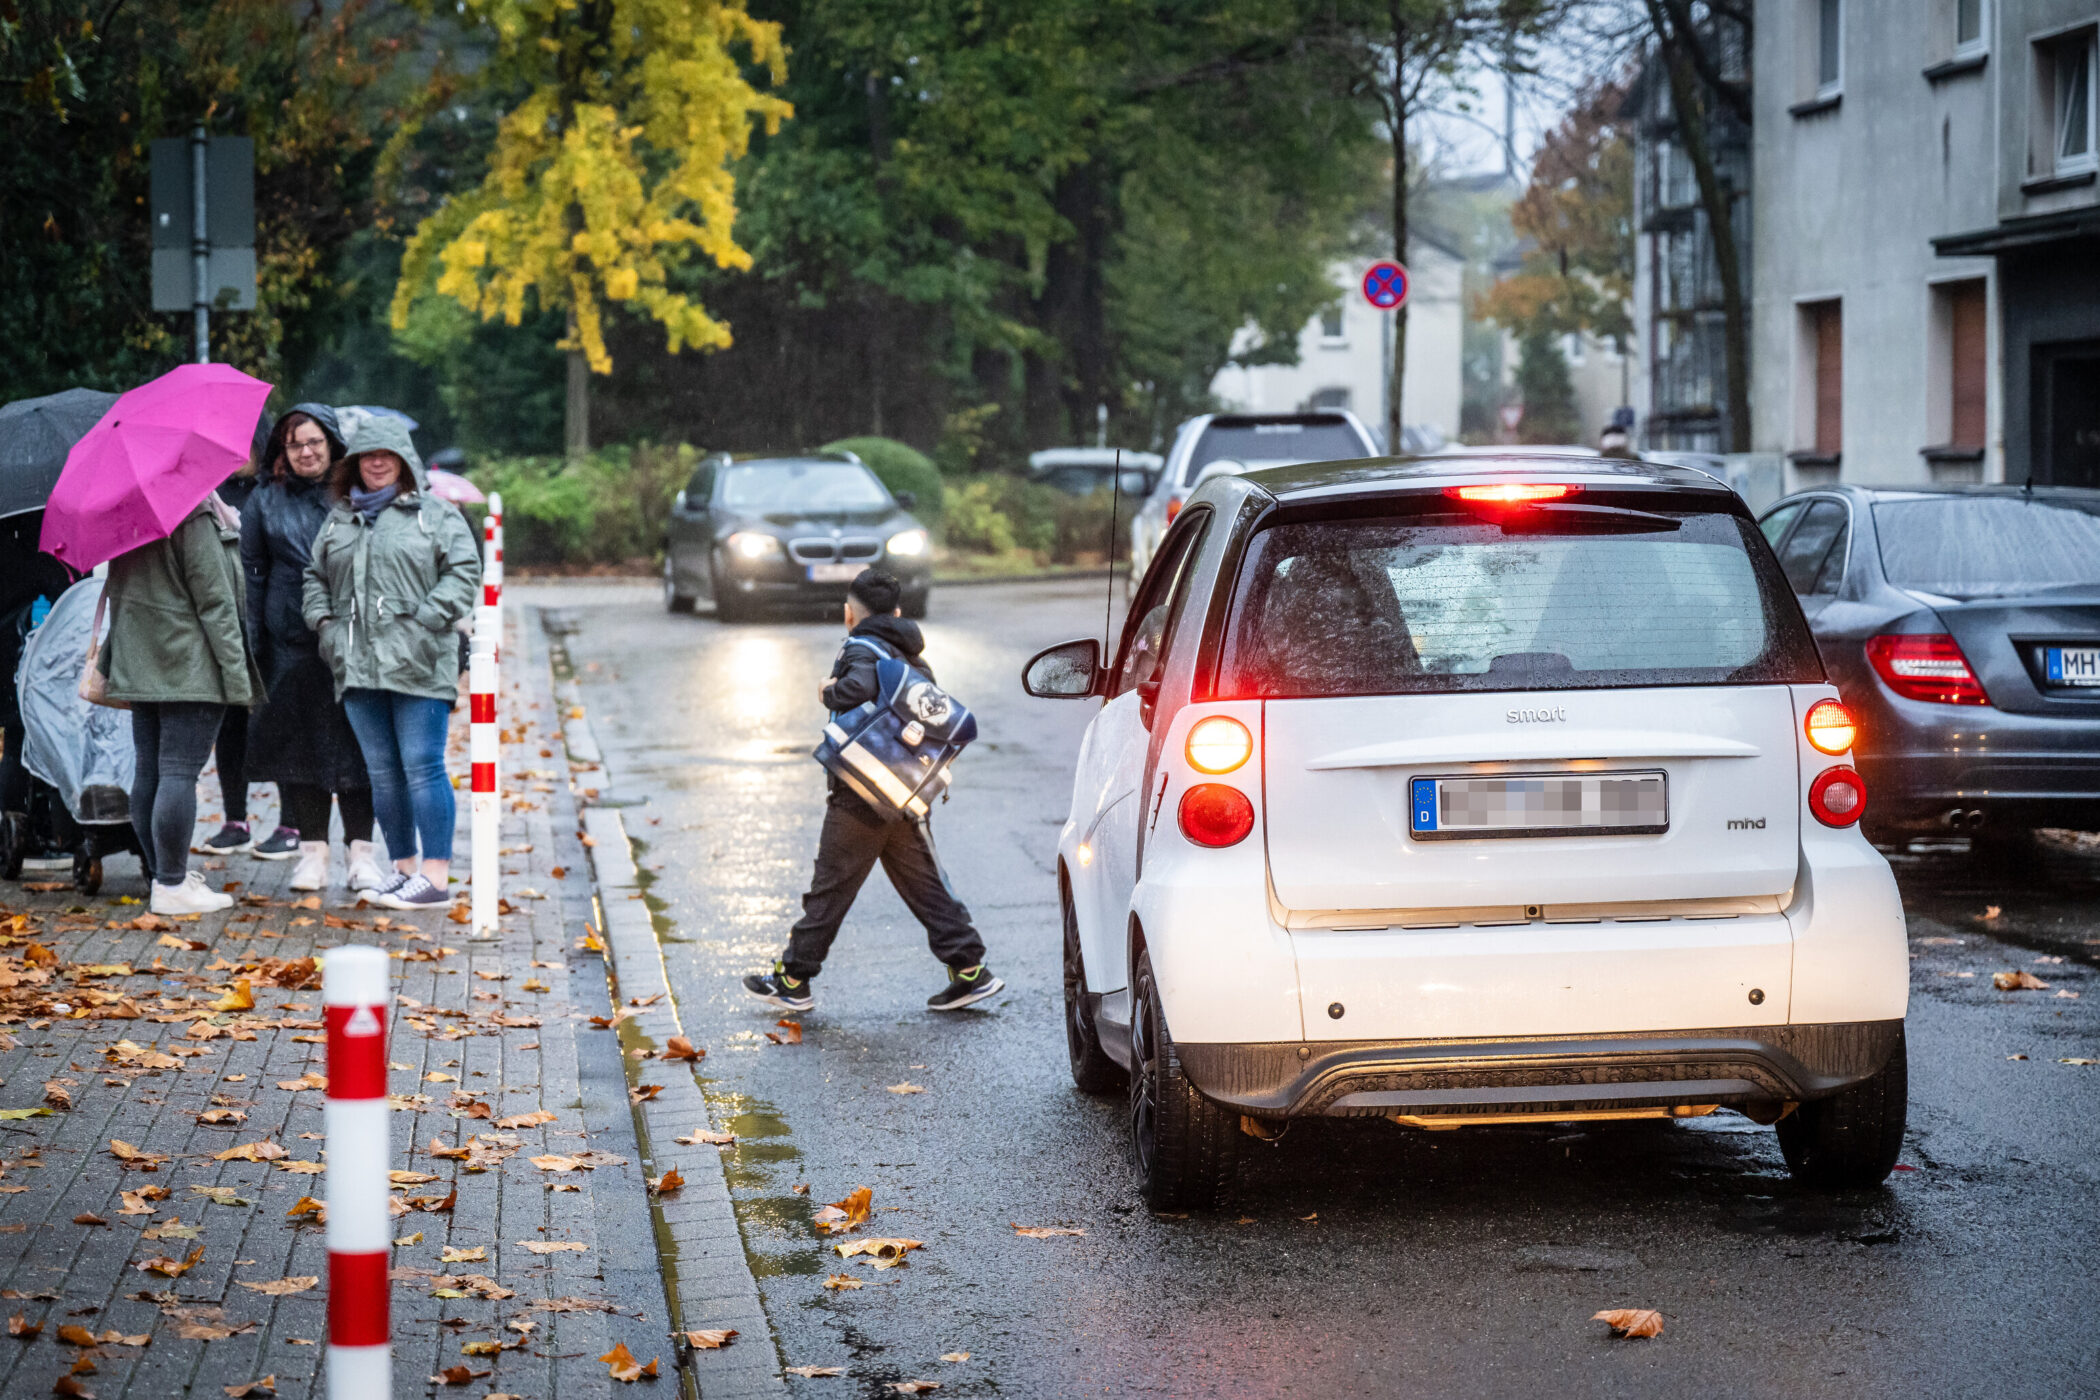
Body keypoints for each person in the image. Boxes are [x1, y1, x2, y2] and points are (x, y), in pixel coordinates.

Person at [743, 568, 1002, 1014]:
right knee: (925, 886)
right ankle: (970, 971)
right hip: (903, 788)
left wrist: (829, 691)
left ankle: (793, 979)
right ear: (897, 614)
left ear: (849, 614)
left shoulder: (861, 647)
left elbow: (857, 687)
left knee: (830, 887)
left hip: (861, 791)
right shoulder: (911, 655)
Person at [302, 416, 481, 911]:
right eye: (368, 455)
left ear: (405, 460)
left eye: (387, 454)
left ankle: (435, 877)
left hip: (420, 662)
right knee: (382, 773)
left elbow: (464, 572)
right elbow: (315, 577)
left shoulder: (435, 514)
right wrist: (325, 625)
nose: (377, 462)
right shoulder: (340, 518)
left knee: (422, 766)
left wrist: (427, 618)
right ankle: (403, 870)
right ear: (355, 463)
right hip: (357, 664)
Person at [242, 404, 387, 893]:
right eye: (295, 444)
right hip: (291, 643)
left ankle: (362, 855)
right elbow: (252, 574)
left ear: (331, 443)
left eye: (314, 442)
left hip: (354, 639)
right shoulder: (264, 500)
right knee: (299, 753)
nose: (305, 452)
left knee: (358, 748)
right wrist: (253, 642)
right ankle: (312, 854)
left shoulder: (355, 493)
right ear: (282, 451)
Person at [97, 487, 260, 915]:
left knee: (150, 771)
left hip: (142, 664)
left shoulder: (128, 516)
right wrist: (237, 679)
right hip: (190, 665)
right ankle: (171, 883)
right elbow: (216, 602)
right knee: (177, 772)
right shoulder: (190, 510)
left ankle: (163, 879)